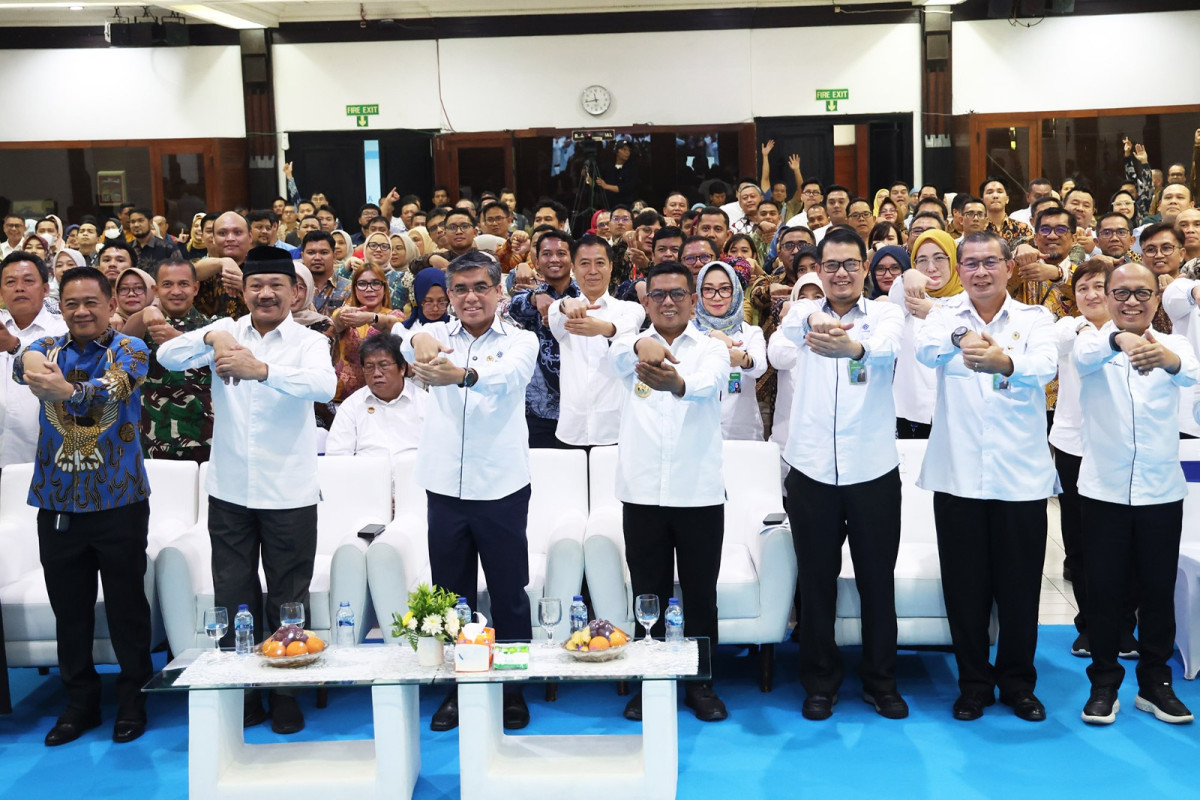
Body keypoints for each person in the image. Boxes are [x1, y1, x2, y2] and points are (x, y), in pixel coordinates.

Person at [157, 245, 337, 735]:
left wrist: (263, 371)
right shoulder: (227, 331)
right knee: (233, 595)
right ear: (244, 291)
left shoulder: (308, 341)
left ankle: (285, 691)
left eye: (276, 285)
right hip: (230, 489)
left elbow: (324, 387)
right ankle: (243, 690)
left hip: (289, 491)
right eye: (256, 285)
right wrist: (213, 334)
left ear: (294, 292)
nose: (266, 294)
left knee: (287, 598)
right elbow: (167, 355)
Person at [915, 231, 1058, 723]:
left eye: (990, 262)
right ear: (960, 270)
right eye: (971, 263)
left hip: (1021, 479)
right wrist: (963, 337)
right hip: (959, 479)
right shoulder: (942, 315)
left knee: (1019, 591)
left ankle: (1018, 684)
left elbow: (1046, 365)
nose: (980, 272)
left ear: (1008, 267)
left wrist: (1006, 362)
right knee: (965, 591)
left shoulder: (1034, 318)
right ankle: (973, 684)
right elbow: (926, 350)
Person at [400, 249, 538, 732]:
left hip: (500, 486)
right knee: (451, 596)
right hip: (445, 487)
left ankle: (512, 688)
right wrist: (418, 335)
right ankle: (459, 687)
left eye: (481, 287)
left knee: (508, 593)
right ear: (450, 295)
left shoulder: (521, 340)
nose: (471, 297)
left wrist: (463, 375)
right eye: (460, 289)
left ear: (499, 291)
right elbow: (404, 339)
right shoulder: (436, 334)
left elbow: (510, 377)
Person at [15, 265, 152, 746]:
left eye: (91, 302)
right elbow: (24, 361)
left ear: (111, 304)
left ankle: (134, 698)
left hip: (120, 500)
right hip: (57, 503)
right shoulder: (46, 347)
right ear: (61, 307)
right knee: (69, 610)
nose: (81, 311)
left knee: (127, 607)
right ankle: (80, 703)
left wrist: (69, 391)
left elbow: (114, 388)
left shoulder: (130, 348)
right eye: (71, 303)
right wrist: (35, 364)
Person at [780, 226, 907, 721]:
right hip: (811, 468)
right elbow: (790, 332)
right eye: (830, 265)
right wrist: (816, 316)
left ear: (865, 267)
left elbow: (887, 347)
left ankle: (881, 681)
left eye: (851, 264)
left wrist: (852, 349)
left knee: (877, 580)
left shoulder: (885, 313)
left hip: (872, 468)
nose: (841, 273)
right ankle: (819, 681)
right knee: (816, 581)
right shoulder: (801, 313)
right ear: (818, 270)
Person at [1073, 261, 1199, 726]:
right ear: (1107, 297)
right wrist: (1119, 340)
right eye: (1121, 293)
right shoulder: (1090, 341)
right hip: (1103, 491)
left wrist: (1164, 358)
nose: (1131, 301)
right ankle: (1104, 684)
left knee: (1158, 592)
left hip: (1161, 491)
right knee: (1104, 592)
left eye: (1142, 293)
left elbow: (1190, 372)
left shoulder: (1176, 344)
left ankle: (1155, 684)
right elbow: (1087, 357)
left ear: (1156, 297)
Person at [612, 261, 731, 722]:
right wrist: (641, 344)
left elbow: (709, 383)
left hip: (698, 492)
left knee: (701, 595)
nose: (667, 302)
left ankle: (701, 684)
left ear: (693, 300)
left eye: (677, 294)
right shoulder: (628, 345)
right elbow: (618, 355)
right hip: (642, 493)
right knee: (649, 594)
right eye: (658, 294)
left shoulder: (711, 347)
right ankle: (653, 681)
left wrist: (676, 383)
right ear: (645, 302)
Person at [548, 234, 645, 447]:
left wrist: (603, 328)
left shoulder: (629, 308)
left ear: (611, 267)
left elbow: (628, 327)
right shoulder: (562, 308)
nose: (592, 271)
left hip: (616, 429)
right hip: (571, 429)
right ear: (573, 268)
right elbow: (555, 311)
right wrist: (566, 304)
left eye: (600, 263)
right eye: (584, 263)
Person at [508, 230, 580, 448]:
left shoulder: (586, 297)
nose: (554, 259)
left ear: (573, 260)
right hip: (537, 410)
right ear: (537, 262)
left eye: (561, 253)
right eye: (547, 254)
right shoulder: (526, 297)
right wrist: (535, 297)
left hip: (580, 408)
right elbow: (515, 307)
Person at [892, 231, 964, 439]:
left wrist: (933, 310)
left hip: (960, 412)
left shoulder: (970, 300)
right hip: (913, 413)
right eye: (922, 260)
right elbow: (896, 295)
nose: (931, 268)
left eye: (939, 258)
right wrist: (907, 275)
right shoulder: (909, 298)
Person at [325, 334, 428, 479]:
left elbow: (439, 453)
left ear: (402, 368)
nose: (376, 373)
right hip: (366, 485)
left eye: (383, 365)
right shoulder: (351, 406)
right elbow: (337, 457)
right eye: (369, 367)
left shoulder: (426, 403)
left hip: (415, 485)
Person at [0, 252, 68, 468]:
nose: (19, 288)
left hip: (43, 456)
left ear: (46, 289)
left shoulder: (64, 330)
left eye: (28, 281)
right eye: (10, 282)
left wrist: (14, 346)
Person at [693, 261, 766, 440]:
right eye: (708, 289)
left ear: (736, 291)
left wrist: (743, 360)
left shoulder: (750, 332)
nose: (717, 297)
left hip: (742, 433)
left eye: (725, 289)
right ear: (699, 293)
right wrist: (710, 336)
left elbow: (759, 367)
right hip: (697, 432)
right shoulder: (689, 332)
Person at [331, 261, 405, 406]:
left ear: (384, 287)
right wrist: (343, 313)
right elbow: (336, 320)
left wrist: (371, 318)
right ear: (354, 288)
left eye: (375, 283)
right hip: (343, 399)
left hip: (385, 398)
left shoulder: (396, 316)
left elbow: (393, 324)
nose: (369, 289)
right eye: (362, 284)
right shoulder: (348, 314)